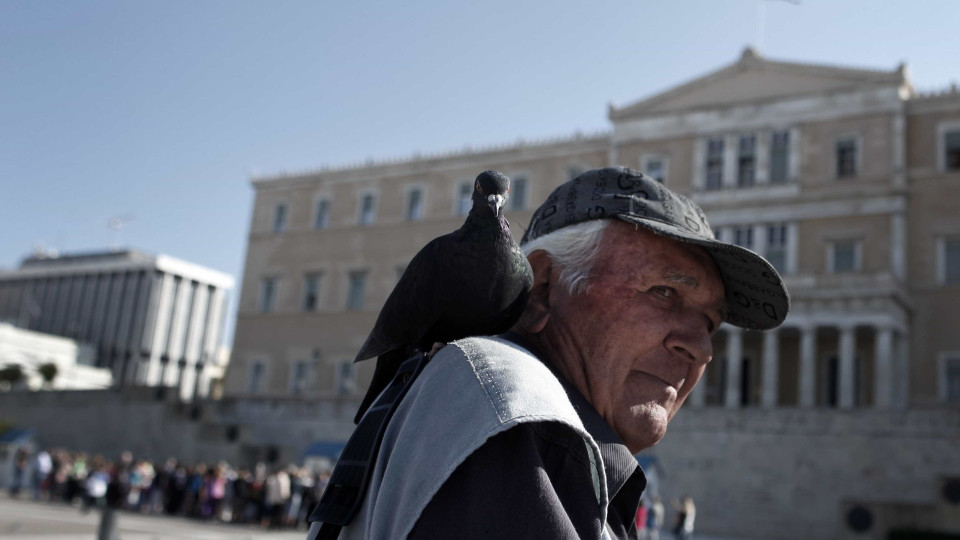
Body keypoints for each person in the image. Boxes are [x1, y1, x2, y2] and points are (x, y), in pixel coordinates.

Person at [308, 167, 789, 539]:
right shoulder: (525, 421)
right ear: (541, 288)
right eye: (665, 293)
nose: (702, 348)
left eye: (710, 322)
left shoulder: (496, 408)